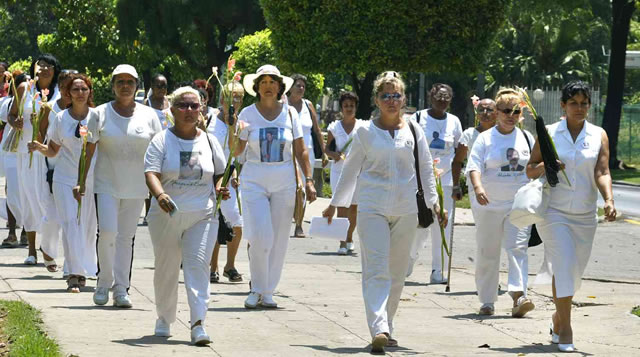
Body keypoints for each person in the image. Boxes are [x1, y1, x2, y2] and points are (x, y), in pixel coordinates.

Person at [323, 71, 442, 353]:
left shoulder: (414, 130)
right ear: (377, 100)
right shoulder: (365, 131)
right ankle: (379, 327)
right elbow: (350, 170)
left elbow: (425, 167)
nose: (391, 100)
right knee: (376, 270)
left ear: (404, 99)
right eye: (386, 95)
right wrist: (335, 203)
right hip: (372, 208)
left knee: (398, 272)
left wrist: (434, 203)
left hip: (406, 209)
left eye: (396, 95)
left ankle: (387, 325)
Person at [527, 81, 616, 352]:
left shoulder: (598, 134)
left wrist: (609, 199)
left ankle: (557, 317)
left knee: (574, 273)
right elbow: (530, 169)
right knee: (564, 265)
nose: (579, 108)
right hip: (554, 212)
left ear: (590, 105)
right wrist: (547, 165)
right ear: (563, 106)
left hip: (585, 215)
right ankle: (566, 329)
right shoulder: (549, 133)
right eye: (574, 103)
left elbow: (601, 172)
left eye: (584, 103)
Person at [145, 86, 228, 345]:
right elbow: (151, 173)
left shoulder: (209, 140)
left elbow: (221, 171)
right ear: (172, 109)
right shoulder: (161, 140)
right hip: (166, 214)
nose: (189, 111)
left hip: (202, 214)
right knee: (167, 268)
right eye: (183, 105)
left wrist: (220, 187)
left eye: (194, 106)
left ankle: (198, 323)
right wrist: (160, 195)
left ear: (202, 109)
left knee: (198, 267)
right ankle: (165, 317)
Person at [236, 64, 316, 309]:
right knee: (260, 235)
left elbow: (301, 150)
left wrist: (309, 179)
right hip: (254, 179)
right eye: (264, 82)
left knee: (280, 237)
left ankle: (268, 291)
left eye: (273, 82)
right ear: (257, 88)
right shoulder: (247, 114)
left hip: (284, 179)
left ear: (280, 86)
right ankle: (257, 287)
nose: (268, 87)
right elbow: (238, 152)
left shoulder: (290, 114)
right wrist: (234, 130)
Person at [83, 64, 162, 308]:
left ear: (137, 86)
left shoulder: (149, 115)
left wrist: (160, 185)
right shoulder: (99, 113)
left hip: (137, 185)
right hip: (106, 182)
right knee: (107, 232)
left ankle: (120, 288)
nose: (125, 86)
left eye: (130, 82)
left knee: (126, 237)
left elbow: (160, 148)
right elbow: (89, 148)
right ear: (113, 85)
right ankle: (103, 282)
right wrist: (80, 182)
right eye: (120, 82)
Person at [466, 88, 536, 317]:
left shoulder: (527, 138)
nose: (511, 115)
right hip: (489, 205)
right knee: (488, 251)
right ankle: (487, 300)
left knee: (518, 248)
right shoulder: (485, 139)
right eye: (506, 111)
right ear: (496, 112)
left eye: (516, 111)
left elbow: (534, 167)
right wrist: (478, 188)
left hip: (518, 205)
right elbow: (474, 166)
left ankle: (519, 295)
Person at [28, 73, 98, 292]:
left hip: (89, 179)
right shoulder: (61, 118)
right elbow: (53, 150)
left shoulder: (96, 117)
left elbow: (93, 148)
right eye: (75, 89)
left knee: (86, 225)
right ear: (68, 93)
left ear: (89, 93)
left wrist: (83, 181)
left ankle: (84, 267)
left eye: (83, 89)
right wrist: (39, 148)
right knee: (69, 223)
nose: (79, 93)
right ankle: (74, 274)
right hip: (63, 178)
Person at [6, 54, 62, 266]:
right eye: (41, 66)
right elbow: (10, 115)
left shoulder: (60, 93)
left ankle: (48, 247)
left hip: (51, 151)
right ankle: (31, 250)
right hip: (25, 150)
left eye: (49, 66)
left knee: (47, 200)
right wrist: (16, 122)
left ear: (55, 70)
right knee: (29, 197)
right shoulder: (24, 89)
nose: (44, 69)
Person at [409, 83, 462, 283]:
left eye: (446, 97)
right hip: (420, 181)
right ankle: (410, 258)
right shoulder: (418, 118)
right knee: (419, 225)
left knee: (442, 227)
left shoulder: (455, 121)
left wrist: (457, 184)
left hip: (445, 180)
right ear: (431, 97)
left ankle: (437, 271)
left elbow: (458, 155)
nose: (442, 101)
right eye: (439, 97)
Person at [207, 82, 245, 283]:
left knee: (236, 221)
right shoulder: (210, 118)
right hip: (210, 174)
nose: (235, 101)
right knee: (213, 220)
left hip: (229, 175)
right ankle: (211, 267)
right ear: (222, 99)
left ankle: (229, 264)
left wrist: (233, 126)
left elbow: (236, 151)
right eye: (231, 96)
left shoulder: (240, 123)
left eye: (239, 97)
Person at [325, 91, 363, 255]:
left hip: (357, 171)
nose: (349, 109)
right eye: (346, 106)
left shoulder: (362, 126)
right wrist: (335, 155)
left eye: (352, 106)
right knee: (341, 205)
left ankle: (349, 238)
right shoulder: (335, 127)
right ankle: (341, 242)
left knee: (354, 206)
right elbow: (327, 149)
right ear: (341, 108)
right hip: (339, 170)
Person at [287, 73, 324, 237]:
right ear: (290, 88)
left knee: (302, 188)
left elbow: (317, 130)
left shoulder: (308, 105)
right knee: (290, 188)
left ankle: (299, 225)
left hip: (305, 152)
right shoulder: (283, 104)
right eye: (298, 85)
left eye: (303, 86)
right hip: (287, 152)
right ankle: (289, 216)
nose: (301, 88)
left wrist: (323, 153)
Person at [451, 98, 497, 206]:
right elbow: (458, 161)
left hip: (499, 184)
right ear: (477, 114)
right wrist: (456, 186)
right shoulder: (469, 134)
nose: (485, 113)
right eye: (481, 110)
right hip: (476, 187)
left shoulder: (504, 135)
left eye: (489, 110)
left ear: (497, 113)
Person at [1, 70, 27, 248]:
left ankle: (27, 230)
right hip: (11, 148)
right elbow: (5, 118)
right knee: (12, 188)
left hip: (29, 148)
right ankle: (12, 232)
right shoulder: (7, 102)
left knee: (29, 189)